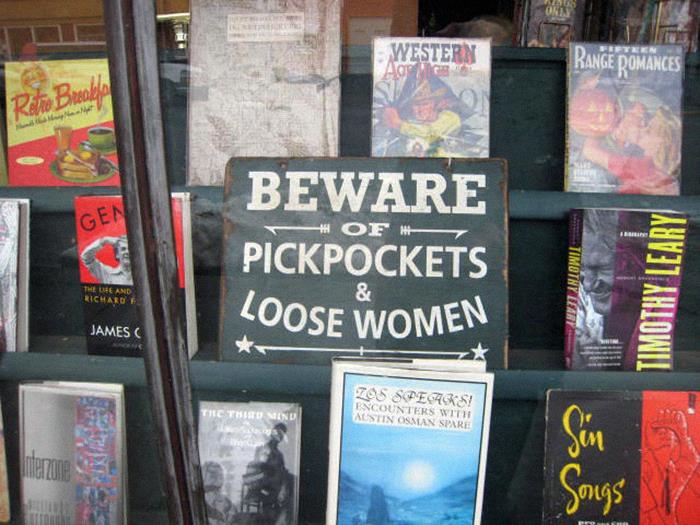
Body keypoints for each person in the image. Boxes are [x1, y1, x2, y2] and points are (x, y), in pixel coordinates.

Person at [580, 100, 681, 195]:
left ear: (661, 145)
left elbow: (589, 150)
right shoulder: (666, 175)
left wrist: (602, 125)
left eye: (649, 130)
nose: (643, 127)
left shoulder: (641, 168)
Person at [641, 408, 700, 525]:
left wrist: (683, 436)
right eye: (657, 431)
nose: (664, 433)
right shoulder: (647, 466)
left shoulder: (673, 472)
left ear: (676, 442)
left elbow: (690, 462)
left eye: (670, 431)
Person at [381, 79, 461, 158]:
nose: (420, 110)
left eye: (425, 104)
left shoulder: (450, 118)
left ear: (435, 103)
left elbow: (430, 132)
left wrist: (398, 124)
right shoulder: (410, 122)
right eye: (416, 105)